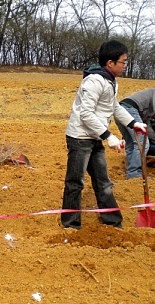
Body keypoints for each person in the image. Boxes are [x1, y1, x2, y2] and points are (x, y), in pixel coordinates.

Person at [61, 40, 147, 230]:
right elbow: (85, 114)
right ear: (110, 63)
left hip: (95, 137)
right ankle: (70, 225)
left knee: (103, 182)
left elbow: (114, 106)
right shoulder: (94, 82)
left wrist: (133, 123)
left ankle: (112, 221)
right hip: (80, 138)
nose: (125, 65)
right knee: (75, 182)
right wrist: (108, 136)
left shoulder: (110, 81)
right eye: (123, 62)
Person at [117, 88, 155, 178]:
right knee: (142, 143)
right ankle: (134, 173)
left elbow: (146, 126)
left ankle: (130, 172)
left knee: (131, 143)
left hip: (120, 110)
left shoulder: (148, 109)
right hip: (130, 109)